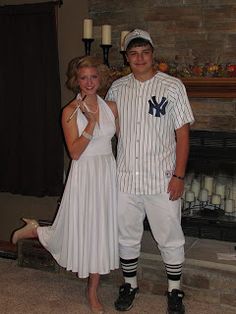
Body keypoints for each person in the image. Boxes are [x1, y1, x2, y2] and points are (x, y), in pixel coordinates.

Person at [12, 56, 119, 314]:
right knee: (79, 228)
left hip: (107, 171)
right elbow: (75, 153)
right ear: (76, 81)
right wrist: (91, 123)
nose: (89, 82)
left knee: (100, 232)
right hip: (85, 172)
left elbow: (122, 141)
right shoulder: (70, 112)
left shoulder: (112, 107)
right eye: (83, 78)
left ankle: (92, 290)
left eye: (93, 77)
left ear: (100, 78)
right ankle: (37, 231)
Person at [106, 29, 194, 314]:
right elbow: (110, 131)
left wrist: (179, 176)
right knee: (126, 235)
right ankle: (129, 284)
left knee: (170, 236)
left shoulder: (172, 86)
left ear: (152, 54)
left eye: (145, 52)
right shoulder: (117, 89)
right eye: (133, 53)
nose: (139, 58)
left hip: (162, 179)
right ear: (126, 57)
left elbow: (182, 135)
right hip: (126, 179)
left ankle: (174, 290)